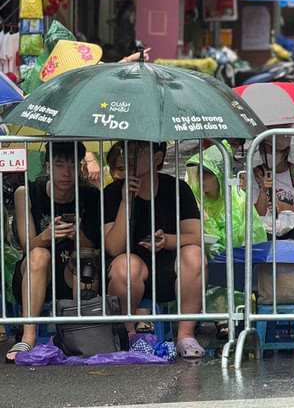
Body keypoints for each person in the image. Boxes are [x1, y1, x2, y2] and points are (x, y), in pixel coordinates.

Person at [102, 141, 205, 359]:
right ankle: (127, 334)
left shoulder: (177, 189)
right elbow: (113, 247)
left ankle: (186, 335)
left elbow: (195, 236)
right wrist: (126, 202)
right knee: (126, 265)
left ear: (157, 159)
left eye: (138, 150)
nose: (130, 155)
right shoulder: (112, 192)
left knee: (195, 255)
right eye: (127, 150)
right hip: (128, 271)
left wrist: (167, 241)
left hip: (168, 267)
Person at [6, 142, 101, 363]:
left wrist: (78, 235)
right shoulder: (27, 193)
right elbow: (27, 245)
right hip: (37, 272)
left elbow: (96, 247)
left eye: (72, 166)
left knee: (85, 257)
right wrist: (46, 236)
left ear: (81, 169)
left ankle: (82, 334)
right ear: (48, 168)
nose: (66, 173)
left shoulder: (91, 195)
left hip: (75, 269)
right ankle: (28, 336)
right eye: (59, 165)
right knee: (39, 254)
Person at [186, 142, 267, 340]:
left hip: (234, 257)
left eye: (208, 174)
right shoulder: (192, 197)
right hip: (201, 254)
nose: (202, 179)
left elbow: (245, 236)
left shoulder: (237, 200)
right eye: (200, 173)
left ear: (220, 175)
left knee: (220, 256)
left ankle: (225, 316)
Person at [249, 134, 294, 240]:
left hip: (291, 227)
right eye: (263, 150)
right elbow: (257, 214)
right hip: (265, 229)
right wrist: (263, 191)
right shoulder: (255, 175)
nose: (267, 154)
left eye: (272, 150)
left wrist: (284, 207)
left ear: (285, 152)